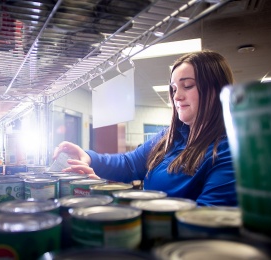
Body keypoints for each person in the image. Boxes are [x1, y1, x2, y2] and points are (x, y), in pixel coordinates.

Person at [53, 50, 237, 206]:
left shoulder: (227, 151)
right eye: (174, 88)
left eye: (187, 86)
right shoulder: (170, 137)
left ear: (216, 90)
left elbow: (205, 221)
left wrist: (112, 199)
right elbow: (129, 164)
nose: (177, 96)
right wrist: (89, 158)